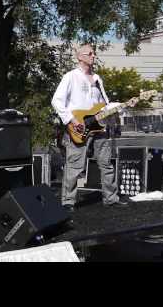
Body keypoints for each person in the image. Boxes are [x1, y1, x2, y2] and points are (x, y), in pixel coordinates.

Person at [51, 44, 128, 212]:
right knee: (74, 166)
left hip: (100, 127)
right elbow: (56, 101)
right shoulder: (71, 77)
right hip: (79, 127)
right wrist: (71, 119)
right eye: (90, 53)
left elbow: (105, 106)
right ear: (80, 57)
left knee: (106, 164)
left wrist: (122, 105)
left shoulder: (98, 79)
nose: (94, 55)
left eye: (94, 53)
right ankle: (68, 202)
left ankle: (111, 198)